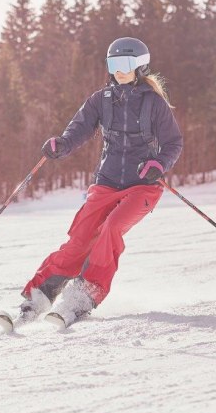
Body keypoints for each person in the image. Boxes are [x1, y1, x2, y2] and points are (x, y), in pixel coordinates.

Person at [10, 37, 183, 330]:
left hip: (143, 185)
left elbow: (173, 142)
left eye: (126, 65)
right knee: (79, 240)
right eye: (114, 64)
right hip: (107, 182)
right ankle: (38, 296)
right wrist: (62, 144)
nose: (120, 71)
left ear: (140, 66)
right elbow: (79, 129)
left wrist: (158, 165)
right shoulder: (100, 100)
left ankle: (84, 294)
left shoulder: (154, 103)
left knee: (112, 228)